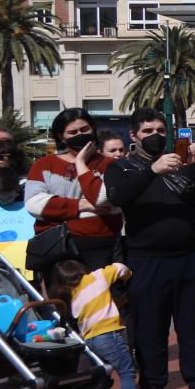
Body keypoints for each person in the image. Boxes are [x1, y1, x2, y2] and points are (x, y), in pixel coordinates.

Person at [104, 109, 195, 389]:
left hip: (190, 258)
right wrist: (153, 170)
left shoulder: (183, 164)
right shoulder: (121, 168)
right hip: (146, 261)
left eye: (161, 129)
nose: (155, 135)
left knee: (194, 326)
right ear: (133, 136)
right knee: (150, 328)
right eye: (147, 131)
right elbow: (119, 196)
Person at [46, 258, 150, 389]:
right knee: (126, 371)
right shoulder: (97, 277)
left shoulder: (73, 295)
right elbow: (119, 268)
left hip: (90, 340)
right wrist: (127, 276)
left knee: (101, 373)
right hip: (109, 335)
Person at [26, 108, 121, 271]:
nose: (80, 135)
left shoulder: (109, 164)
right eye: (73, 132)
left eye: (85, 129)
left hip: (100, 245)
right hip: (56, 247)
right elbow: (34, 204)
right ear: (61, 137)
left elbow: (103, 199)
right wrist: (82, 205)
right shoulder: (44, 165)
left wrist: (80, 164)